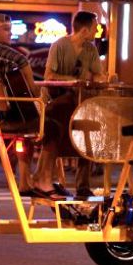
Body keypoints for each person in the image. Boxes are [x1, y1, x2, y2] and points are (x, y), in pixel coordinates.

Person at [0, 14, 59, 199]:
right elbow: (23, 62)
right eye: (6, 30)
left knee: (27, 126)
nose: (11, 33)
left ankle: (25, 182)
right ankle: (42, 178)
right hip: (0, 121)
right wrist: (35, 93)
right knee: (52, 127)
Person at [37, 11, 105, 198]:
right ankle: (43, 178)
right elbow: (49, 76)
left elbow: (98, 75)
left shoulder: (91, 49)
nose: (97, 31)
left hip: (79, 100)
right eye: (95, 27)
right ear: (84, 30)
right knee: (56, 134)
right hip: (57, 101)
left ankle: (83, 186)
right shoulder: (59, 45)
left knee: (89, 131)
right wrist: (74, 81)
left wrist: (100, 78)